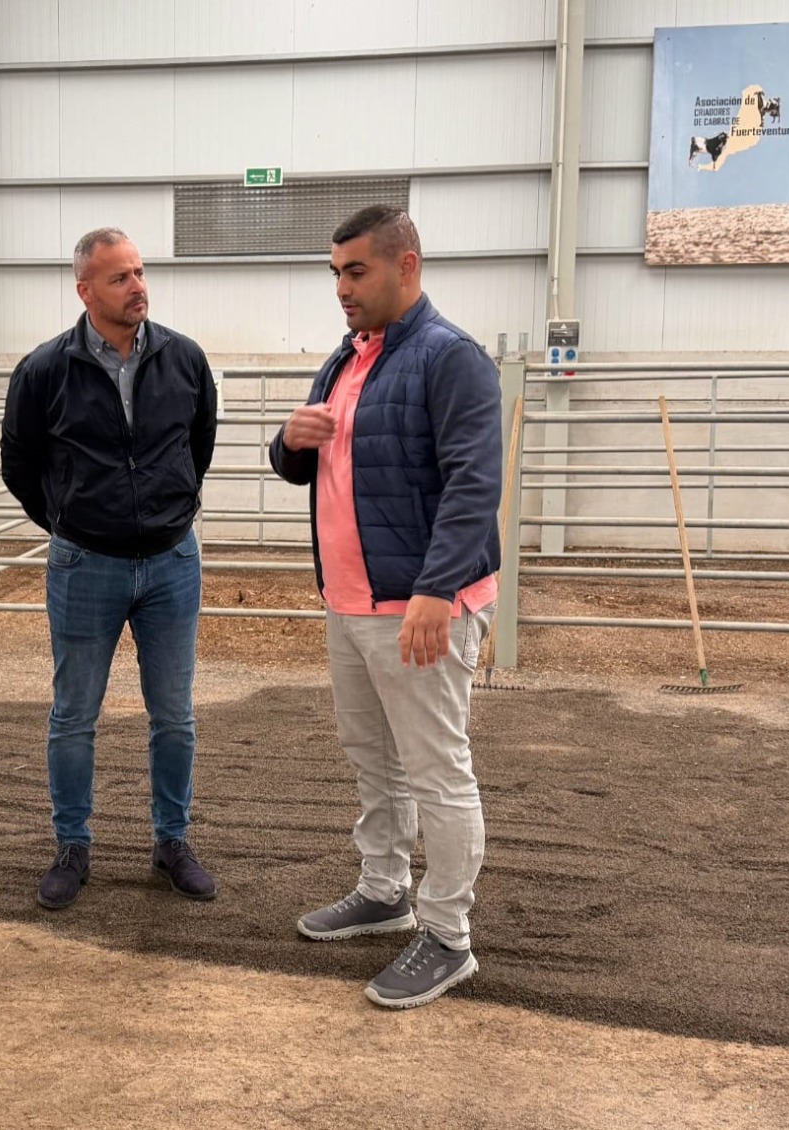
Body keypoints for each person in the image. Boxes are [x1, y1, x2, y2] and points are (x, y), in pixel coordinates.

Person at [269, 204, 502, 1010]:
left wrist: (436, 591)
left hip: (419, 604)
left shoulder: (450, 358)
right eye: (336, 273)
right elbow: (305, 467)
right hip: (350, 602)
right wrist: (289, 440)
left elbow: (474, 483)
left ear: (407, 265)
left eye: (356, 271)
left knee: (436, 769)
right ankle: (384, 888)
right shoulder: (347, 357)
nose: (342, 287)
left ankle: (448, 934)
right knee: (374, 758)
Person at [0, 227, 219, 910]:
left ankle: (172, 841)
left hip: (172, 561)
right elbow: (19, 466)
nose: (137, 287)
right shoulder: (44, 370)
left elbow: (199, 443)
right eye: (120, 277)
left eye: (139, 272)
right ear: (85, 290)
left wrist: (166, 511)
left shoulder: (184, 358)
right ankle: (72, 845)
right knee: (74, 714)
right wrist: (72, 522)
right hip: (84, 563)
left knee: (175, 715)